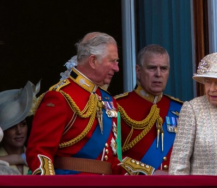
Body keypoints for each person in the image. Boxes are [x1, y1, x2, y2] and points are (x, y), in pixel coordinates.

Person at [26, 32, 155, 175]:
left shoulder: (108, 101)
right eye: (112, 61)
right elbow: (39, 153)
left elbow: (111, 161)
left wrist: (150, 174)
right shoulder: (60, 97)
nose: (116, 68)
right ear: (93, 61)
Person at [115, 44, 183, 173]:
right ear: (138, 71)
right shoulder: (118, 106)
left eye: (163, 68)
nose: (158, 74)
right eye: (152, 68)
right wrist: (149, 173)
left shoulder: (181, 110)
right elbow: (112, 158)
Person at [0, 81, 40, 175]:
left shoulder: (37, 155)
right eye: (12, 126)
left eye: (23, 124)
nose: (19, 131)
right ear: (3, 129)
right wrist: (18, 158)